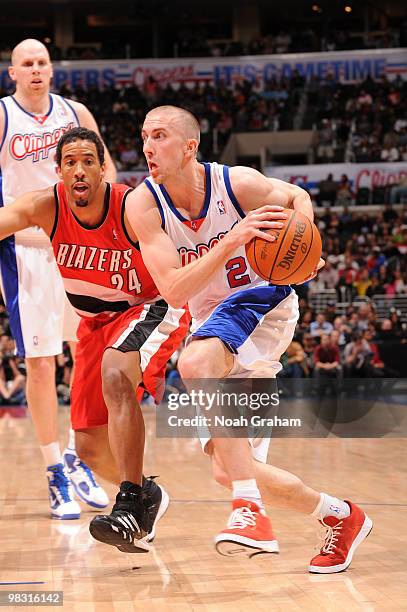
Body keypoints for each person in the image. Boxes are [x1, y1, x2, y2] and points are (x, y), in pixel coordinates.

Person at [125, 105, 372, 573]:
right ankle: (341, 517)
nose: (148, 146)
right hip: (210, 318)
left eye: (159, 136)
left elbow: (298, 196)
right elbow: (174, 289)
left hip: (263, 301)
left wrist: (306, 246)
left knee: (195, 364)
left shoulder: (236, 183)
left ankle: (251, 513)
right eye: (144, 136)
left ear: (189, 146)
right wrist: (232, 239)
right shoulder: (144, 204)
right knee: (229, 467)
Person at [0, 127, 190, 551]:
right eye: (71, 162)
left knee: (116, 370)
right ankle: (147, 497)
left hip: (149, 305)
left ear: (104, 168)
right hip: (95, 325)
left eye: (89, 161)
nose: (80, 170)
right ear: (59, 171)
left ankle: (127, 505)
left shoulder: (131, 205)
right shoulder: (45, 206)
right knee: (87, 447)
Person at [0, 39, 117, 518]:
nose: (35, 70)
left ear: (52, 69)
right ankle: (54, 470)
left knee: (88, 354)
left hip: (78, 245)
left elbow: (105, 169)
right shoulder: (3, 115)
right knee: (41, 363)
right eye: (26, 63)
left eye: (42, 62)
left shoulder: (76, 112)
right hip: (25, 250)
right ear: (12, 72)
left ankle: (76, 455)